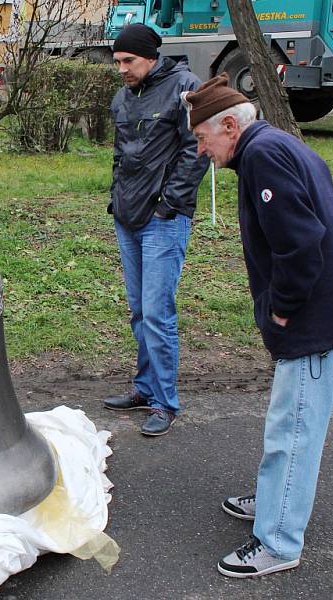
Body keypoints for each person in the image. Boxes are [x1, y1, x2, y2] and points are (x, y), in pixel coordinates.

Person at [182, 73, 333, 578]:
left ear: (228, 124)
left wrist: (282, 307)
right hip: (332, 309)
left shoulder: (263, 155)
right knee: (292, 424)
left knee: (294, 431)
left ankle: (279, 541)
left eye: (202, 139)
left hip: (314, 318)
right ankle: (273, 500)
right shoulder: (275, 143)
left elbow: (300, 242)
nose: (201, 152)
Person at [103, 23, 210, 436]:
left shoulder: (185, 87)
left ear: (151, 56)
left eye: (128, 61)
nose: (122, 69)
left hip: (163, 219)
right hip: (127, 216)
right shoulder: (124, 95)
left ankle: (165, 402)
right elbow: (120, 154)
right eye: (117, 62)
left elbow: (197, 149)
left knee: (158, 313)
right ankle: (145, 388)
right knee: (139, 311)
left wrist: (168, 204)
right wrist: (117, 199)